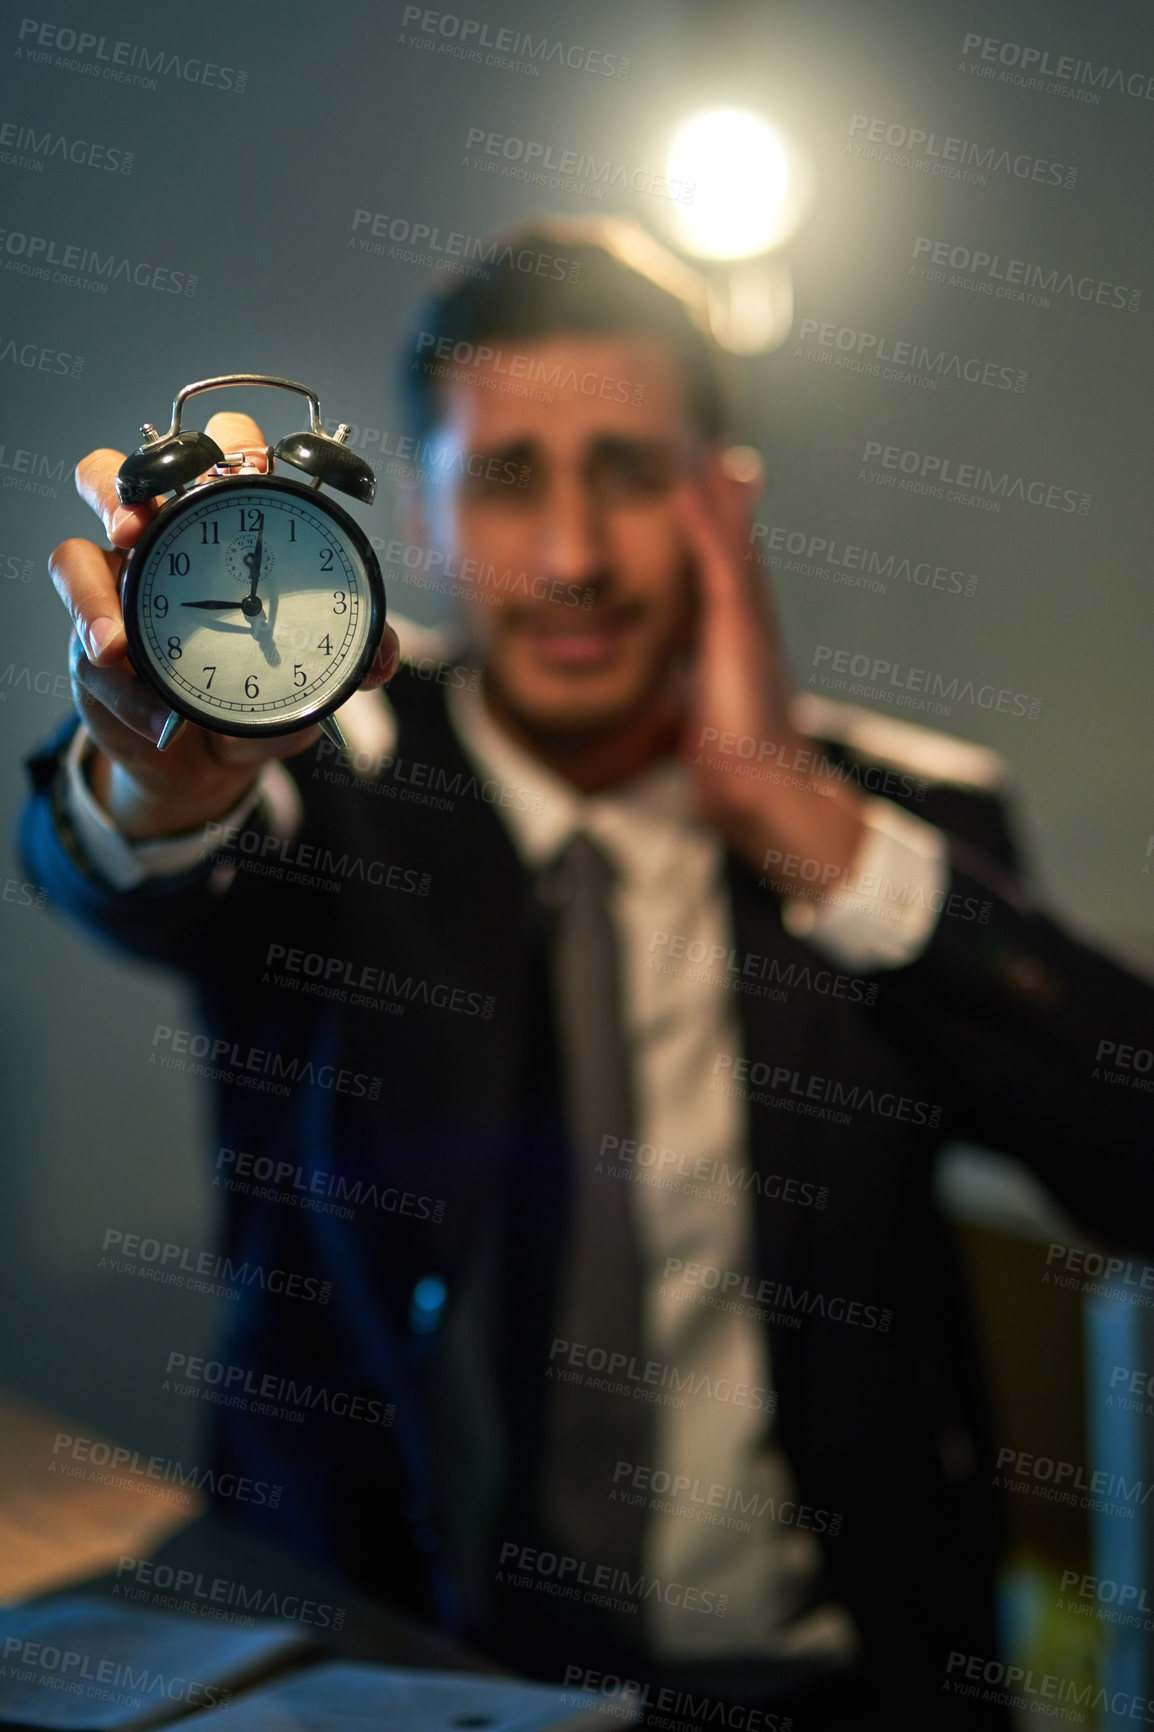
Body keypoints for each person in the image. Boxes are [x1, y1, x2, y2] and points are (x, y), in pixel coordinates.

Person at [21, 216, 1154, 1730]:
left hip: (828, 1691)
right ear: (417, 517)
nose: (569, 558)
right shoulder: (331, 770)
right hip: (395, 1669)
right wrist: (158, 785)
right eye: (505, 479)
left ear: (719, 502)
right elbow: (144, 870)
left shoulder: (899, 820)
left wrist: (797, 823)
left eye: (626, 473)